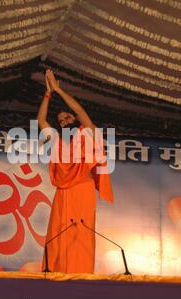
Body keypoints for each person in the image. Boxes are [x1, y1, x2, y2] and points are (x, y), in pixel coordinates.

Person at [38, 69, 114, 273]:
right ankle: (56, 273)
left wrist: (58, 91)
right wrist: (47, 94)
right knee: (59, 231)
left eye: (67, 118)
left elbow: (80, 111)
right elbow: (41, 121)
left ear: (75, 119)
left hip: (82, 189)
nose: (64, 122)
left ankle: (80, 273)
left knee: (80, 232)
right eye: (61, 121)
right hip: (63, 192)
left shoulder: (87, 132)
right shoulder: (58, 140)